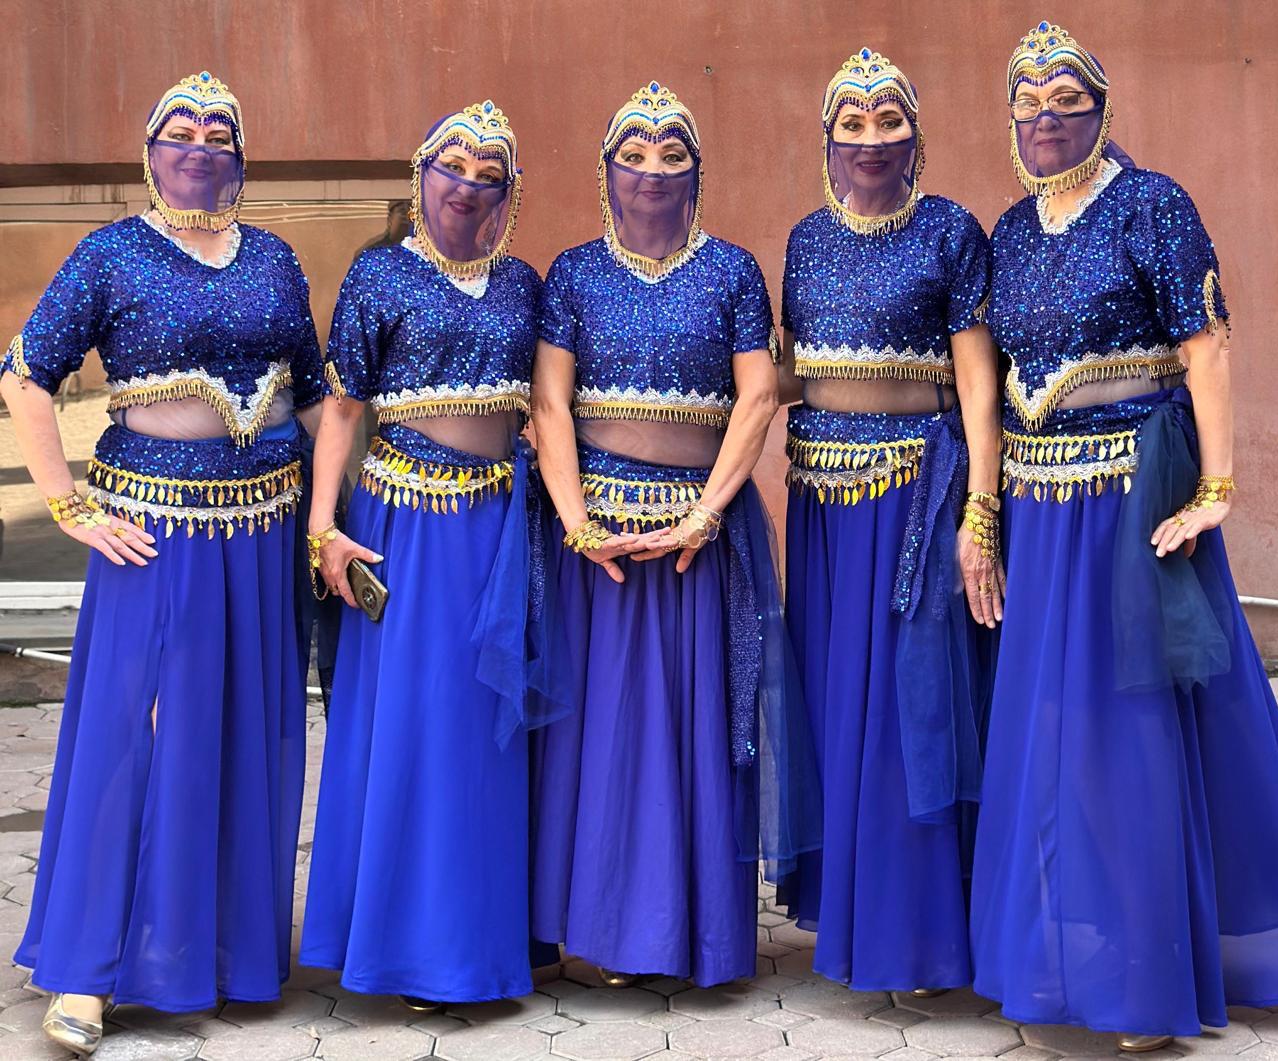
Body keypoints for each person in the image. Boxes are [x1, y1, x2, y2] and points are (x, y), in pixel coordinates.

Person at [970, 22, 1278, 1050]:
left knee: (1133, 725)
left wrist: (1217, 487)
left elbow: (1204, 345)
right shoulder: (1010, 229)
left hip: (1130, 502)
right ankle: (1073, 952)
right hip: (1038, 506)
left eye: (1067, 98)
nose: (1047, 116)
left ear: (1100, 109)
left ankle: (1150, 974)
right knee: (1054, 725)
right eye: (1029, 100)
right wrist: (985, 512)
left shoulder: (1153, 204)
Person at [1, 72, 323, 1053]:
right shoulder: (110, 253)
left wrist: (335, 520)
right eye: (181, 130)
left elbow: (313, 396)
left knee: (241, 731)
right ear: (149, 149)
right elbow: (26, 375)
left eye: (220, 132)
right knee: (134, 733)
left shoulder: (274, 256)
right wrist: (69, 504)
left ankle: (215, 954)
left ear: (242, 152)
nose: (200, 145)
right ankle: (88, 968)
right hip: (154, 534)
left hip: (265, 529)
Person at [530, 81, 819, 989]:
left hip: (702, 538)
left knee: (695, 731)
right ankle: (598, 928)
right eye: (634, 153)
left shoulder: (732, 270)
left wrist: (704, 512)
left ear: (699, 170)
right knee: (603, 730)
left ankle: (690, 933)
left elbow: (758, 395)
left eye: (672, 153)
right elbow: (549, 403)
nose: (652, 169)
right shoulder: (573, 273)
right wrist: (578, 525)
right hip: (596, 547)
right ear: (605, 170)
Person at [300, 101, 565, 1008]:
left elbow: (550, 403)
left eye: (489, 173)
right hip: (404, 526)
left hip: (497, 526)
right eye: (454, 165)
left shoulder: (524, 283)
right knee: (418, 728)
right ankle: (413, 951)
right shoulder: (378, 275)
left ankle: (485, 941)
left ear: (509, 191)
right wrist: (324, 528)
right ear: (421, 176)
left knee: (489, 731)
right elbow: (341, 409)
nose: (468, 185)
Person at [776, 48, 1001, 995]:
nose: (871, 138)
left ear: (918, 133)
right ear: (827, 137)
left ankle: (920, 936)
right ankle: (854, 921)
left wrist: (981, 507)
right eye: (853, 122)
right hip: (824, 507)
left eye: (889, 120)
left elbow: (979, 381)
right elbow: (790, 373)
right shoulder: (802, 240)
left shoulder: (951, 231)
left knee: (912, 711)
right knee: (838, 706)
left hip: (918, 497)